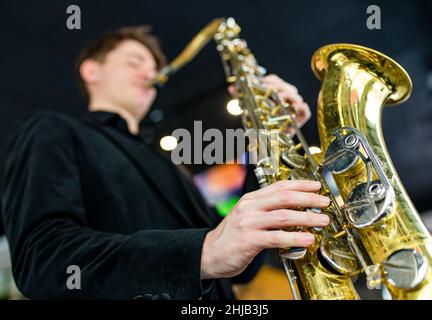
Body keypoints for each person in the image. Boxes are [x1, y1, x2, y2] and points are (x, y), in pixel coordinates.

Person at [1, 26, 330, 300]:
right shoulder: (51, 128)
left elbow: (245, 267)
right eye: (134, 62)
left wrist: (266, 145)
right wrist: (202, 251)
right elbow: (42, 259)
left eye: (153, 67)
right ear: (91, 71)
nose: (150, 73)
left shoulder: (170, 165)